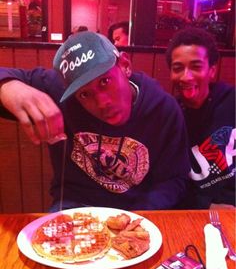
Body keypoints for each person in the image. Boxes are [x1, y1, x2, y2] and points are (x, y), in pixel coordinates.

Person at [0, 31, 190, 212]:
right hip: (74, 205)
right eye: (85, 94)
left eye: (105, 82)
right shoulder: (61, 92)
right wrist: (8, 87)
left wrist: (138, 216)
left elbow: (173, 179)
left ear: (125, 65)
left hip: (138, 210)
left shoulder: (163, 109)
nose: (102, 103)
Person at [166, 27, 235, 209]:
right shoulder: (168, 118)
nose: (186, 77)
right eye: (178, 68)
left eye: (196, 67)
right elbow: (171, 183)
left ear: (212, 71)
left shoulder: (232, 102)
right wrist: (207, 206)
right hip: (198, 214)